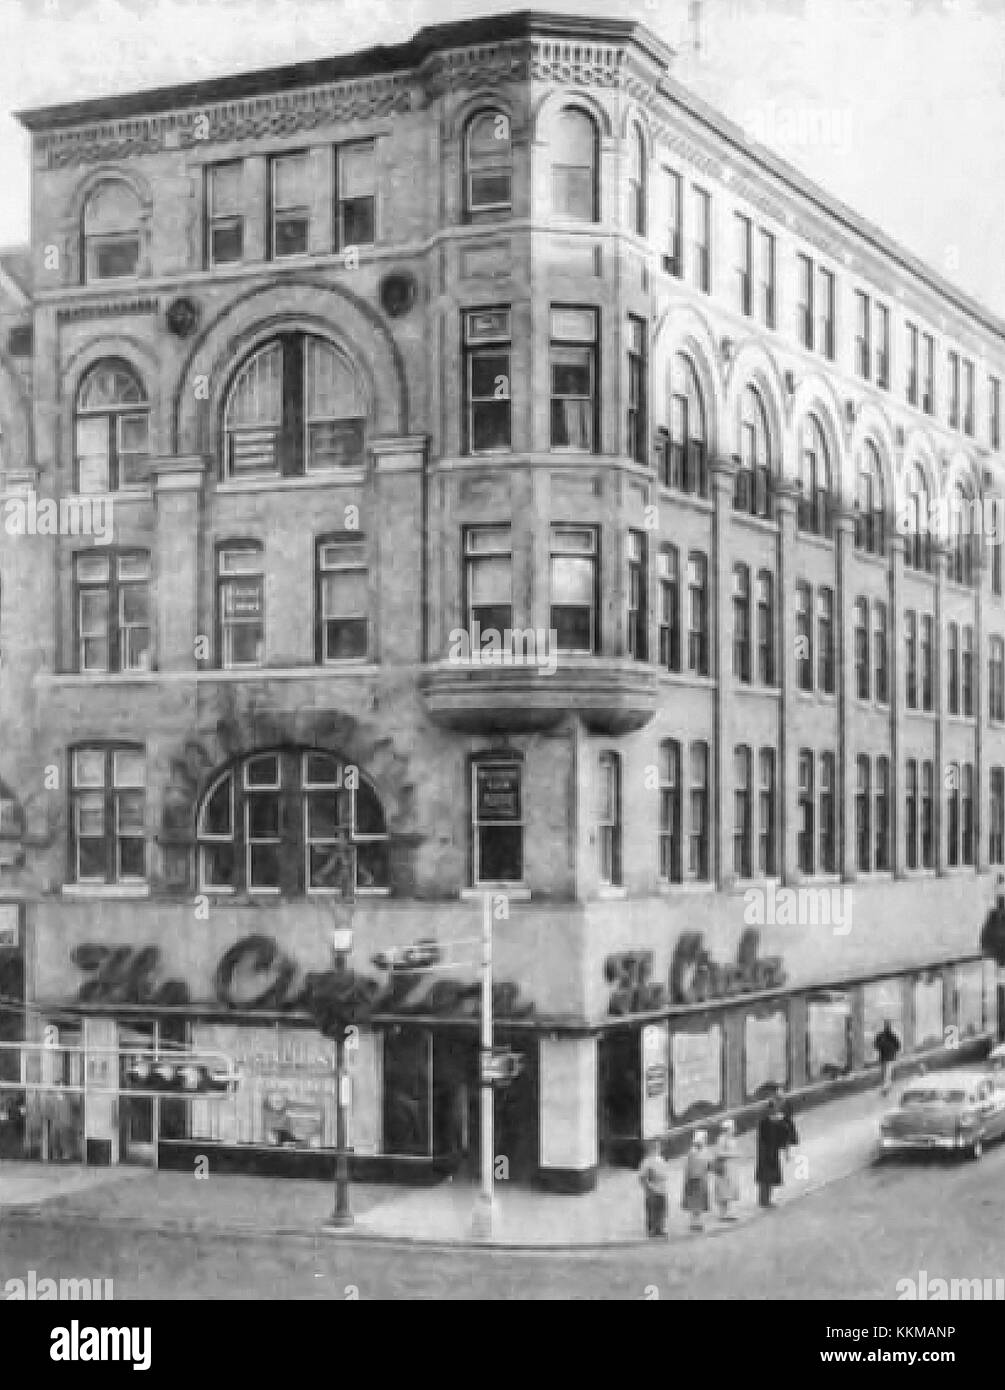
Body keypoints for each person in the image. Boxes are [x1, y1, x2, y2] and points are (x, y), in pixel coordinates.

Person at [755, 1097, 790, 1209]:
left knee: (767, 1178)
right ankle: (764, 1201)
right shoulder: (766, 1123)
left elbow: (782, 1133)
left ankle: (765, 1200)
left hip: (769, 1153)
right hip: (767, 1153)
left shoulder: (768, 1122)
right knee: (766, 1178)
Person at [637, 1139, 671, 1238]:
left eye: (658, 1147)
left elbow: (665, 1174)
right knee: (652, 1209)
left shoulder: (661, 1160)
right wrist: (647, 1187)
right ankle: (652, 1229)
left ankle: (660, 1228)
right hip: (652, 1188)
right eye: (654, 1147)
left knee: (662, 1209)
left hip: (662, 1188)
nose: (657, 1149)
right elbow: (642, 1177)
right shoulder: (647, 1162)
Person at [681, 1128, 712, 1232]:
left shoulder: (705, 1151)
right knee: (694, 1202)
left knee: (700, 1201)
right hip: (693, 1180)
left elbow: (708, 1164)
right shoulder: (692, 1152)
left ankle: (697, 1221)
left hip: (702, 1179)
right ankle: (693, 1222)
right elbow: (689, 1168)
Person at [712, 1117, 739, 1220]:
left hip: (731, 1166)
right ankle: (722, 1213)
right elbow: (719, 1153)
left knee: (729, 1189)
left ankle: (727, 1212)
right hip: (723, 1166)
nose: (733, 1129)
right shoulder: (722, 1139)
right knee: (723, 1189)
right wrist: (732, 1154)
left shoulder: (731, 1139)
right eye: (732, 1127)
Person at [874, 1020, 902, 1096]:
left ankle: (886, 1088)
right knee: (885, 1073)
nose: (887, 1027)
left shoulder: (889, 1036)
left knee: (886, 1073)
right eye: (886, 1025)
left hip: (888, 1058)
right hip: (886, 1057)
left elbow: (898, 1046)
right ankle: (886, 1087)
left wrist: (890, 1051)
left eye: (888, 1025)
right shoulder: (888, 1036)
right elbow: (898, 1046)